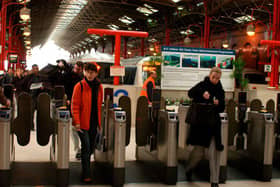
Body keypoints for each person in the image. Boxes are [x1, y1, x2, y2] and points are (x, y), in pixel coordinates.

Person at [185, 67, 225, 187]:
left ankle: (214, 181)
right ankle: (189, 169)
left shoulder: (220, 90)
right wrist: (202, 93)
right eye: (214, 77)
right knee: (198, 152)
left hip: (213, 125)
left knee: (214, 152)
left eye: (218, 78)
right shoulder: (202, 85)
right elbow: (190, 93)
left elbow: (222, 107)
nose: (215, 80)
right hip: (201, 125)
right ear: (210, 75)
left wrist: (219, 104)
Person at [71, 62, 103, 183]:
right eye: (87, 72)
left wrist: (100, 123)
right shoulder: (80, 86)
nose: (89, 74)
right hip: (82, 123)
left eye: (92, 72)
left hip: (94, 123)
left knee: (90, 149)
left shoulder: (99, 86)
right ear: (84, 72)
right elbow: (75, 105)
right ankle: (86, 174)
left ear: (96, 73)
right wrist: (77, 122)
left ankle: (86, 168)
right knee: (86, 147)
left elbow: (99, 105)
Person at [64, 61, 84, 160]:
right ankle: (78, 150)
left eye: (78, 69)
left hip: (83, 106)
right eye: (76, 69)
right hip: (72, 104)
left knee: (83, 128)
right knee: (74, 127)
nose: (77, 71)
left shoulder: (84, 78)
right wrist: (67, 98)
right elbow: (65, 88)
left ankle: (83, 149)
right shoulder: (68, 75)